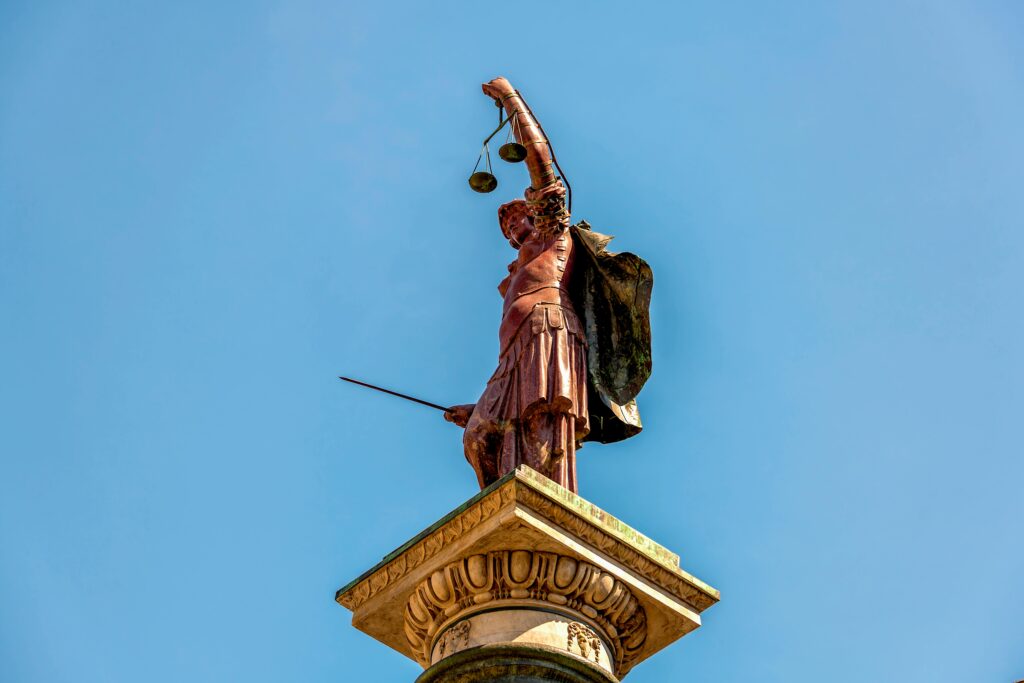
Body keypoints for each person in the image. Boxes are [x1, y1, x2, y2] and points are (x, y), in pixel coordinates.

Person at [445, 187, 587, 492]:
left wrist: (525, 139)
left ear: (536, 214)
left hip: (546, 331)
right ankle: (497, 507)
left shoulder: (552, 236)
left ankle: (540, 500)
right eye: (507, 227)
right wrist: (477, 408)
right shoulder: (519, 268)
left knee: (538, 426)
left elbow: (547, 185)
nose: (511, 228)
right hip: (515, 352)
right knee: (477, 435)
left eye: (516, 219)